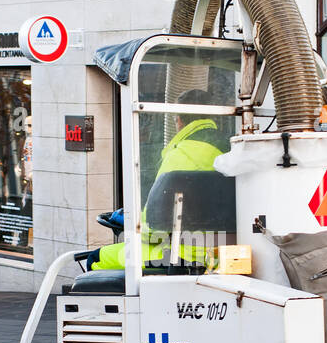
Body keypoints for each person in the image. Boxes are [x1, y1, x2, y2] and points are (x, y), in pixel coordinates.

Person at [83, 89, 229, 271]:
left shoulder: (182, 154)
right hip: (223, 252)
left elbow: (155, 228)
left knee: (95, 259)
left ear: (179, 121)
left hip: (184, 253)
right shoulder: (228, 147)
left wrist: (128, 221)